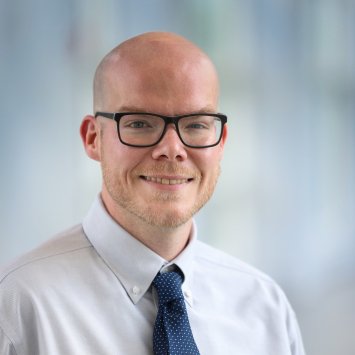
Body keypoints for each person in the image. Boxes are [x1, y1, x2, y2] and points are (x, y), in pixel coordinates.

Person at [0, 32, 306, 355]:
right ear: (93, 139)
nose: (173, 149)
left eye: (196, 125)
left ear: (220, 143)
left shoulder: (267, 310)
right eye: (140, 124)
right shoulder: (20, 308)